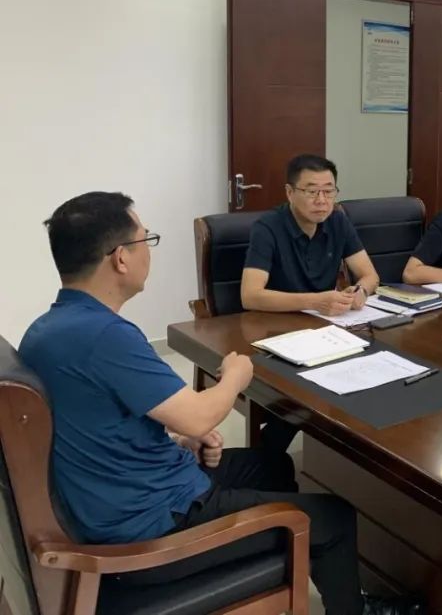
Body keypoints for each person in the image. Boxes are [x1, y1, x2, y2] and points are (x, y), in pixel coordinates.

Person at [19, 192, 417, 615]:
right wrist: (234, 377)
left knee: (273, 466)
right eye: (145, 240)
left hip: (124, 492)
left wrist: (178, 441)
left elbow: (100, 420)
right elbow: (199, 416)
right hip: (154, 527)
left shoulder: (47, 330)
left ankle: (283, 566)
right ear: (120, 258)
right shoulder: (106, 336)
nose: (149, 251)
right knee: (334, 518)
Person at [241, 154, 380, 316]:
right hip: (278, 321)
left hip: (325, 320)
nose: (321, 200)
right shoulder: (267, 227)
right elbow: (250, 296)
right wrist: (314, 301)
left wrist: (360, 291)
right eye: (312, 191)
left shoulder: (338, 221)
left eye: (328, 191)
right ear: (290, 192)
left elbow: (370, 276)